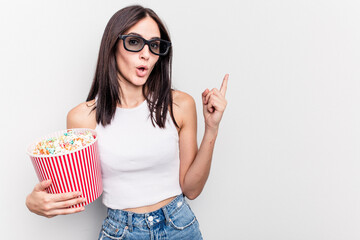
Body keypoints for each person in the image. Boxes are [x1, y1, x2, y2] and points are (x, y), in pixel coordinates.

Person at [26, 5, 228, 239]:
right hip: (121, 231)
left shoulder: (180, 104)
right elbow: (74, 190)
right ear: (112, 46)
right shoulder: (82, 117)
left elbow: (192, 190)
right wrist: (34, 203)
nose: (146, 54)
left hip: (179, 227)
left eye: (154, 45)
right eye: (134, 42)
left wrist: (212, 127)